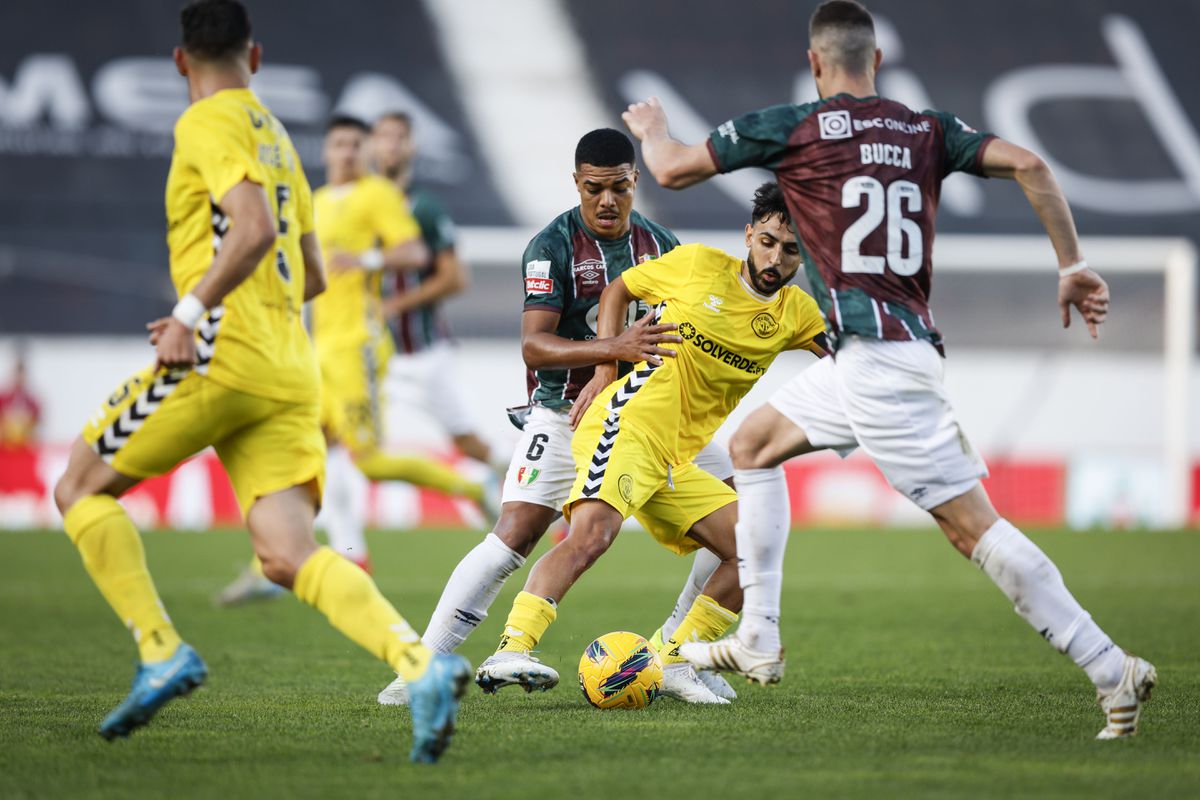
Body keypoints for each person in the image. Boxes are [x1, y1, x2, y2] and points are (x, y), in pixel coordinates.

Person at [622, 0, 1152, 739]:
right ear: (877, 61)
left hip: (882, 371)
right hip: (875, 356)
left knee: (972, 531)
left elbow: (673, 170)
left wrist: (649, 129)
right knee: (753, 447)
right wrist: (1075, 265)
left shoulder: (798, 127)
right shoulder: (925, 129)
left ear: (815, 64)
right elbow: (1031, 164)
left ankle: (1107, 664)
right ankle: (759, 637)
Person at [51, 0, 468, 763]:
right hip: (288, 367)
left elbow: (251, 228)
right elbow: (309, 273)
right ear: (258, 56)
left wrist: (189, 311)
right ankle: (420, 662)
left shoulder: (205, 122)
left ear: (182, 62)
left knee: (78, 488)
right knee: (285, 551)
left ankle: (159, 649)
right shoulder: (278, 137)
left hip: (218, 356)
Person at [378, 129, 740, 707]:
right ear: (577, 183)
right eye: (594, 188)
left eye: (619, 188)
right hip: (568, 414)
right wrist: (611, 351)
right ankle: (422, 665)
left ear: (634, 183)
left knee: (741, 521)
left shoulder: (663, 244)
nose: (607, 200)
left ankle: (682, 655)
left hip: (653, 420)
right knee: (516, 532)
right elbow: (535, 346)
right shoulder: (552, 246)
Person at [480, 181, 827, 696]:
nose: (775, 257)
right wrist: (606, 364)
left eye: (791, 248)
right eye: (768, 241)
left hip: (673, 456)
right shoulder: (697, 265)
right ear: (749, 234)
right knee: (593, 535)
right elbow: (618, 288)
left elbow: (849, 358)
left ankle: (672, 661)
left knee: (752, 549)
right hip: (625, 424)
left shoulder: (796, 313)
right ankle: (510, 648)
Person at [216, 115, 499, 604]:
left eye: (354, 144)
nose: (346, 153)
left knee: (368, 461)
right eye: (338, 145)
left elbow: (412, 253)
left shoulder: (378, 196)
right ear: (325, 151)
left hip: (359, 345)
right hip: (318, 345)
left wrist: (366, 260)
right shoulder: (318, 201)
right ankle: (317, 559)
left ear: (364, 151)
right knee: (308, 453)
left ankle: (473, 486)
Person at [370, 111, 506, 476]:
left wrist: (396, 304)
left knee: (469, 444)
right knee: (344, 442)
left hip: (424, 354)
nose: (391, 145)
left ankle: (523, 490)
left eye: (399, 137)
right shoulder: (356, 205)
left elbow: (455, 278)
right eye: (383, 136)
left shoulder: (424, 209)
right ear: (371, 144)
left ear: (411, 146)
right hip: (369, 350)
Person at [0, 351, 41, 449]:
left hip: (25, 447)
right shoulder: (4, 398)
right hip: (5, 448)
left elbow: (36, 424)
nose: (19, 379)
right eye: (17, 375)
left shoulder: (32, 401)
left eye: (21, 376)